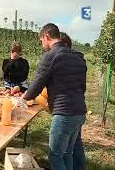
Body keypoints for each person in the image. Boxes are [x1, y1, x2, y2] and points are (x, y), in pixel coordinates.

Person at [22, 23, 87, 170]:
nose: (42, 44)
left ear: (46, 36)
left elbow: (37, 86)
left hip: (64, 114)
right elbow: (82, 87)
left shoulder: (51, 56)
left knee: (55, 156)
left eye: (41, 41)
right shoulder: (78, 57)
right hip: (80, 112)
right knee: (67, 153)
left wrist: (24, 97)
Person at [60, 32, 85, 170]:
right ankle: (79, 167)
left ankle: (78, 166)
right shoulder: (79, 59)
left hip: (68, 109)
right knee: (75, 142)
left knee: (61, 151)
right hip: (78, 107)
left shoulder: (66, 61)